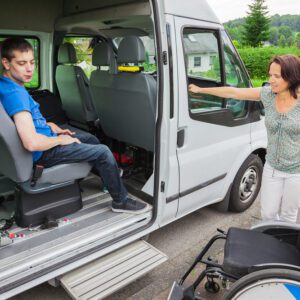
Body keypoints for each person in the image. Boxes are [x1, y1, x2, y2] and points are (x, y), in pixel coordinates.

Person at [0, 37, 149, 214]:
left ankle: (110, 177)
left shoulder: (9, 85)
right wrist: (60, 140)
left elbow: (24, 121)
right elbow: (32, 143)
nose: (30, 68)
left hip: (46, 139)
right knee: (103, 152)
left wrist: (50, 126)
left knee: (89, 138)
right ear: (6, 63)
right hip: (43, 153)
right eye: (22, 63)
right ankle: (120, 201)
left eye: (32, 62)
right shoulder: (15, 95)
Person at [189, 54, 300, 223]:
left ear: (291, 77)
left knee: (289, 216)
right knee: (268, 215)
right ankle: (272, 241)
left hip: (296, 173)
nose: (271, 80)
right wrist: (201, 90)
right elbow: (234, 92)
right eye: (270, 75)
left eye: (277, 76)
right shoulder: (268, 95)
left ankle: (284, 246)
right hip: (272, 168)